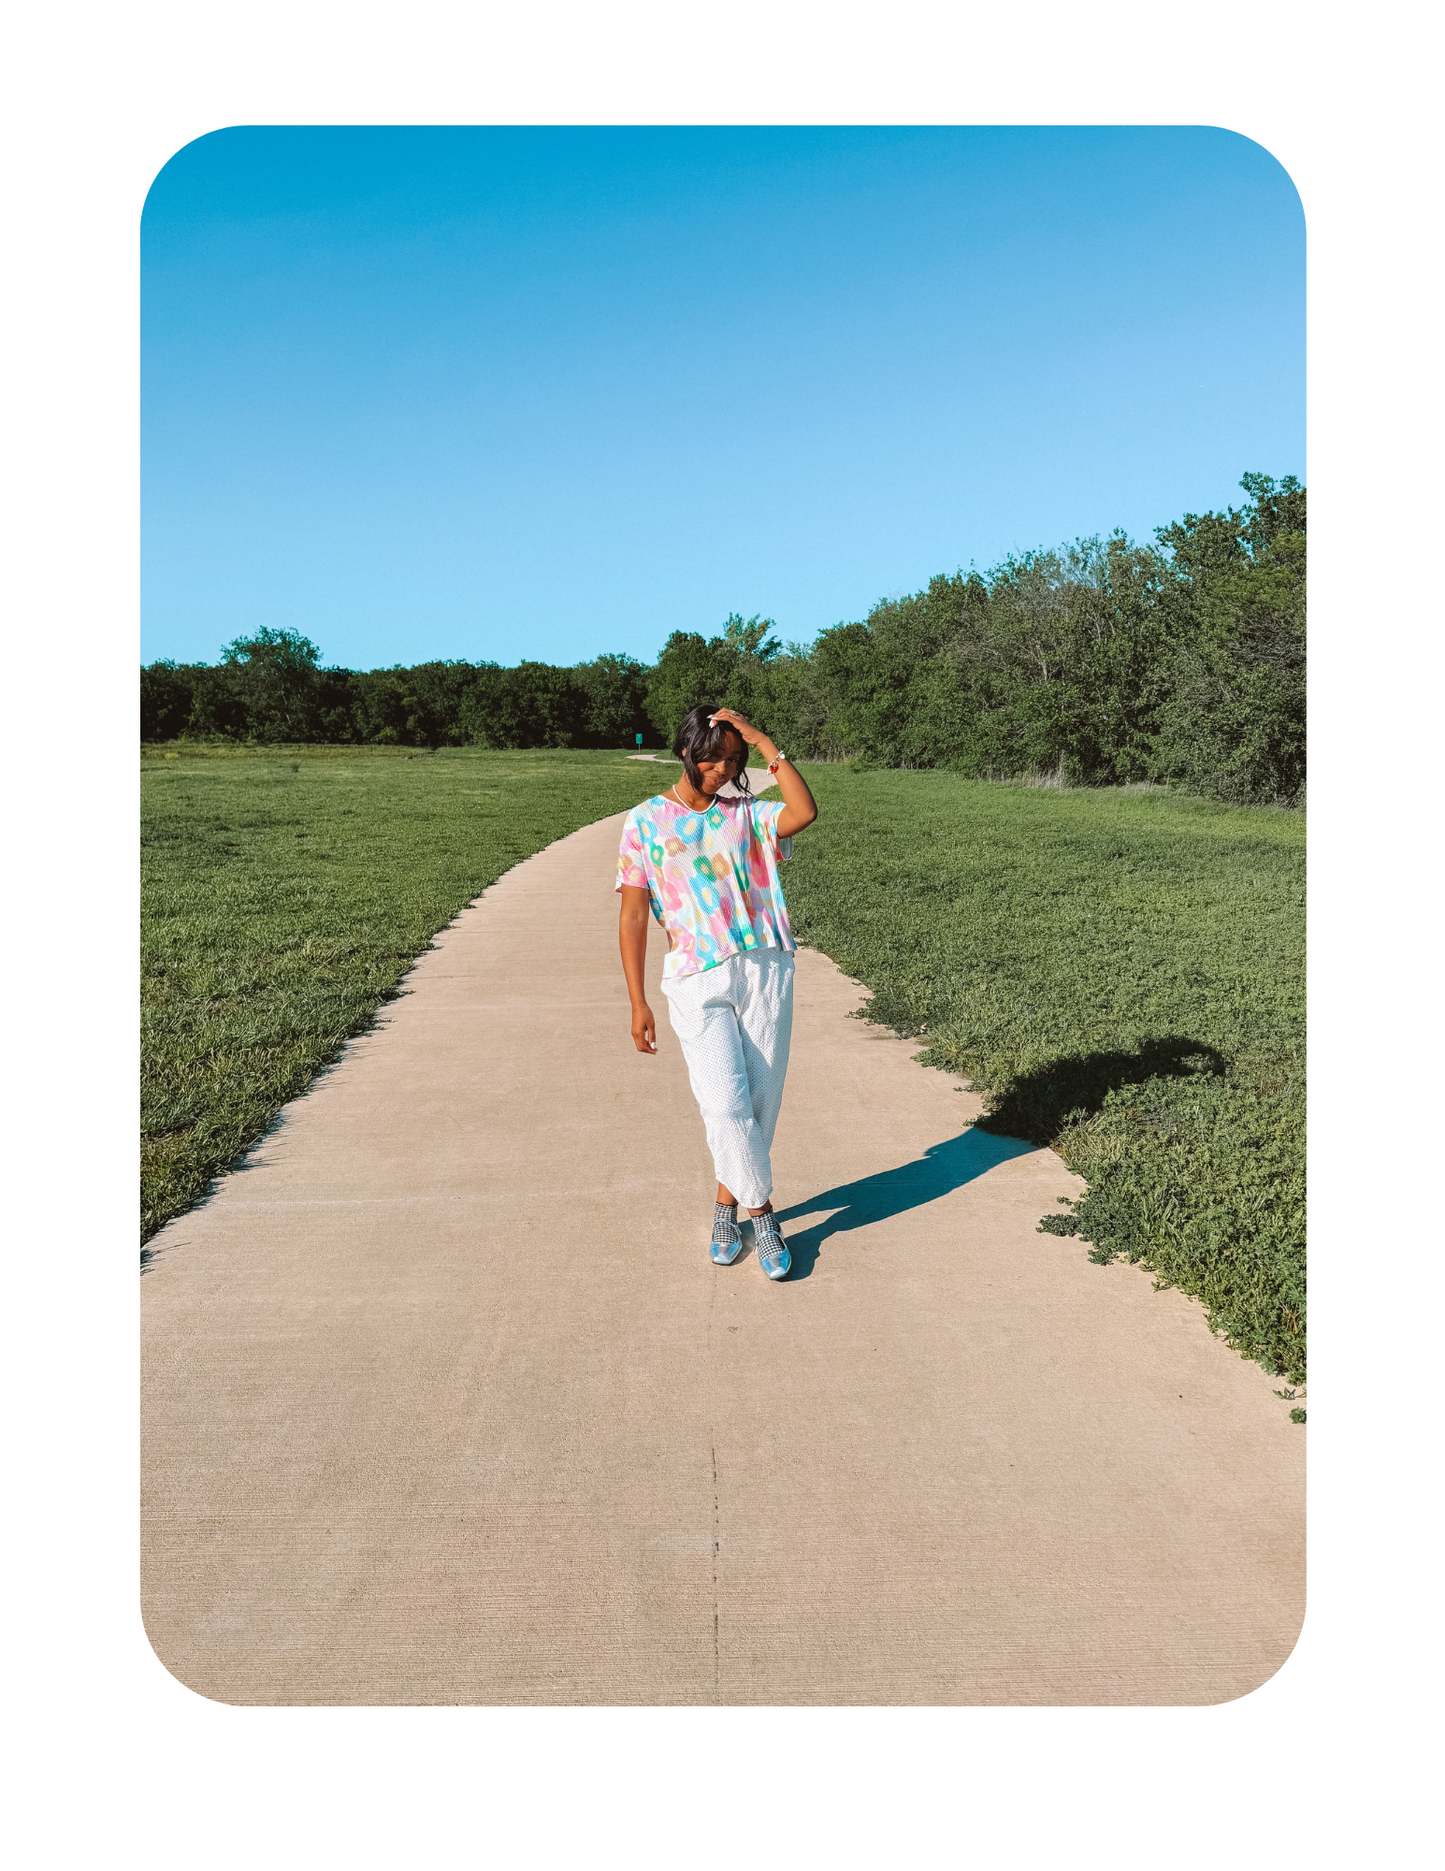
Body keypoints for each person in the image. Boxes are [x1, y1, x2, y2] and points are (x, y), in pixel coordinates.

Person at [616, 704, 818, 1279]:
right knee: (724, 1103)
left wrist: (761, 739)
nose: (723, 769)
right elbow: (632, 917)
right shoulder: (645, 821)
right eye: (713, 758)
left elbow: (805, 811)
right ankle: (765, 1215)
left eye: (734, 760)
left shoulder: (746, 814)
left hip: (765, 966)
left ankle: (725, 1207)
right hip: (694, 977)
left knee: (757, 1105)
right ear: (685, 749)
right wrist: (637, 1000)